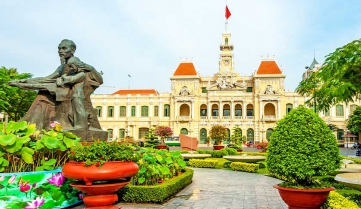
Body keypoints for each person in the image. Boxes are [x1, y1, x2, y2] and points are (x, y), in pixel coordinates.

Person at [9, 39, 103, 131]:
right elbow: (46, 79)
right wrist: (25, 81)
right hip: (63, 93)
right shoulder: (62, 67)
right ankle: (32, 126)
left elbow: (98, 80)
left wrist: (90, 69)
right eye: (59, 49)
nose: (60, 51)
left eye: (64, 48)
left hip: (75, 94)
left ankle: (80, 125)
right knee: (43, 95)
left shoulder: (79, 64)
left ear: (72, 50)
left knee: (74, 97)